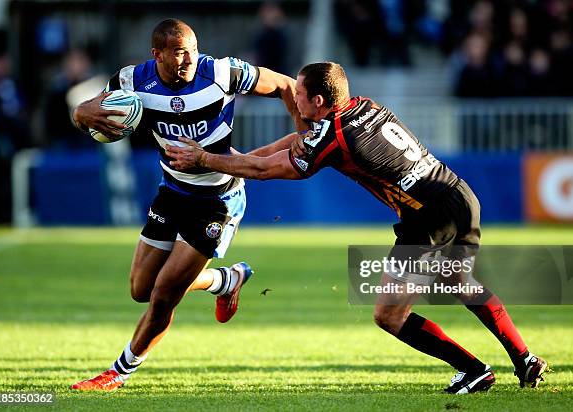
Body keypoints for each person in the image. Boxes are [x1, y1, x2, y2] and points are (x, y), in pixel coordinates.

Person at [165, 61, 549, 394]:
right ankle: (524, 358)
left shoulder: (335, 137)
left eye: (298, 94)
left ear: (317, 101)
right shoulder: (363, 107)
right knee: (461, 284)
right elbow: (296, 143)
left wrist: (204, 159)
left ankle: (474, 370)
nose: (292, 99)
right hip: (458, 195)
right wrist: (237, 159)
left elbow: (267, 170)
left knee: (389, 315)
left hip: (430, 216)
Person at [69, 18, 305, 391]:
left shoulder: (222, 72)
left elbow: (285, 85)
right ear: (157, 54)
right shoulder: (132, 81)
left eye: (192, 51)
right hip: (173, 192)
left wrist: (305, 130)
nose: (189, 60)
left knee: (163, 295)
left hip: (218, 199)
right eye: (179, 54)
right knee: (141, 289)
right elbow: (87, 109)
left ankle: (118, 372)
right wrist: (81, 115)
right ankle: (227, 280)